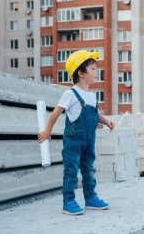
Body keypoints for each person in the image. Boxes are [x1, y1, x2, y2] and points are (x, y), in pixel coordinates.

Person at [38, 50, 114, 215]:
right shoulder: (70, 93)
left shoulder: (92, 96)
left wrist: (106, 121)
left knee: (88, 169)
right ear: (81, 73)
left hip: (89, 139)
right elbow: (56, 112)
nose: (97, 71)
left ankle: (90, 198)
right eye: (93, 68)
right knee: (71, 169)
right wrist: (47, 130)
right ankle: (69, 201)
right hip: (73, 140)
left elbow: (94, 114)